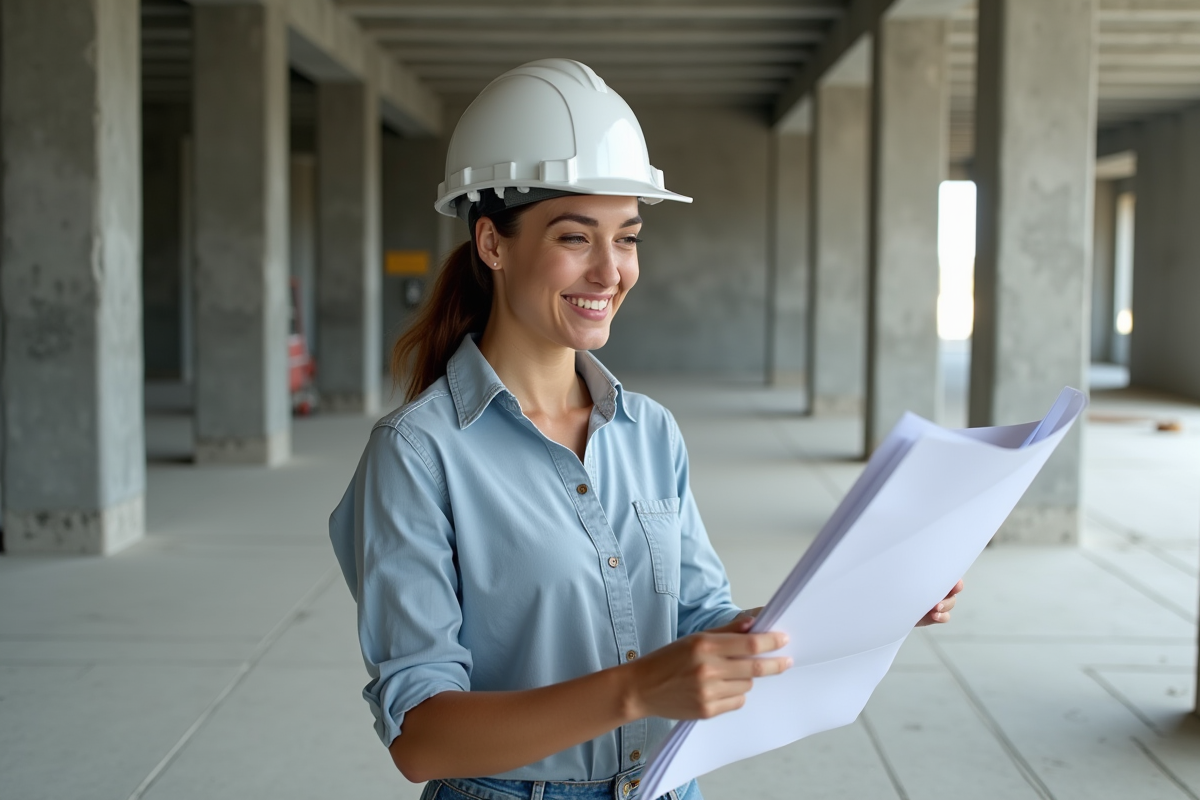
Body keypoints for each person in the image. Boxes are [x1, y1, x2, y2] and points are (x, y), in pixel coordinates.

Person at [329, 59, 962, 800]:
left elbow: (698, 619)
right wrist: (636, 690)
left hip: (665, 786)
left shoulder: (647, 430)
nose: (610, 272)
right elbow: (423, 740)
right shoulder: (418, 454)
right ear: (492, 244)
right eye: (575, 237)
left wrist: (860, 607)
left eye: (626, 238)